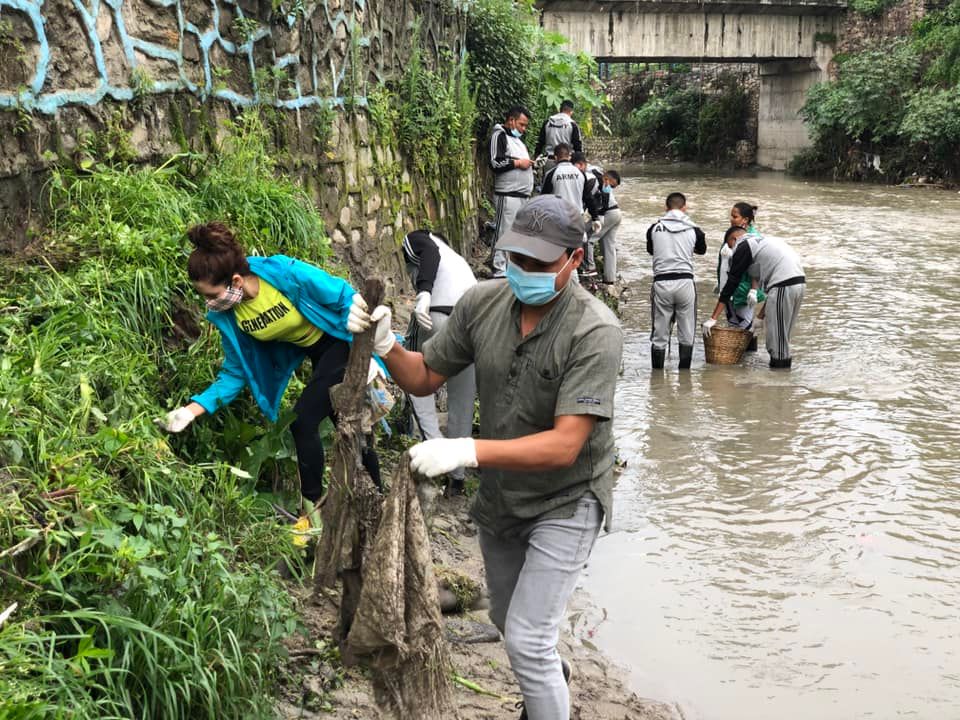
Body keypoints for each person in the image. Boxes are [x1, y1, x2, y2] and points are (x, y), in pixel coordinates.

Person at [368, 195, 622, 720]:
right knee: (511, 625)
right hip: (503, 497)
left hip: (568, 499)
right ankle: (553, 679)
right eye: (515, 259)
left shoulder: (594, 331)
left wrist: (466, 448)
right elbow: (423, 376)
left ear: (574, 259)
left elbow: (565, 445)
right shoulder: (481, 304)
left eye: (539, 263)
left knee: (527, 640)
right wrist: (388, 344)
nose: (523, 271)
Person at [159, 222, 380, 526]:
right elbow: (234, 373)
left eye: (212, 294)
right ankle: (368, 501)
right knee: (343, 422)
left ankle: (313, 514)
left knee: (303, 421)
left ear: (236, 280)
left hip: (340, 343)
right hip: (315, 356)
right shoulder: (231, 315)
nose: (209, 303)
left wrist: (354, 311)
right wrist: (191, 410)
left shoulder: (281, 273)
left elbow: (338, 293)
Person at [401, 229, 478, 496]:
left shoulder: (421, 239)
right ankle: (457, 478)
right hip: (471, 324)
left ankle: (432, 446)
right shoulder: (459, 262)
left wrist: (423, 292)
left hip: (437, 314)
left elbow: (429, 254)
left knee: (412, 377)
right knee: (463, 400)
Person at [703, 227, 805, 369]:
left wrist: (713, 318)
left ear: (734, 239)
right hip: (797, 284)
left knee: (776, 344)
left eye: (730, 245)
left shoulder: (742, 246)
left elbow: (731, 284)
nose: (732, 250)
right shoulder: (761, 242)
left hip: (784, 286)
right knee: (782, 338)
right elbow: (766, 283)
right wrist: (760, 317)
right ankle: (782, 381)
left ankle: (779, 385)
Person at [646, 192, 707, 370]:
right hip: (685, 283)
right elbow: (702, 250)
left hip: (661, 283)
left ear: (666, 207)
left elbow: (652, 250)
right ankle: (684, 378)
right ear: (684, 207)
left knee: (659, 331)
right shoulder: (694, 229)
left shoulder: (654, 228)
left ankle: (656, 377)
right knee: (687, 331)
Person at [541, 146, 602, 274]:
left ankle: (561, 279)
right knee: (574, 252)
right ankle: (573, 280)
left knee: (560, 253)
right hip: (576, 218)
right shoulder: (580, 173)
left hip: (558, 218)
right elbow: (588, 198)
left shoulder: (551, 173)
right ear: (569, 156)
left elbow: (544, 200)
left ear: (556, 158)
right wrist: (595, 218)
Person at [489, 105, 535, 278]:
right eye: (522, 125)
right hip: (507, 195)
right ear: (511, 120)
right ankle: (498, 268)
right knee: (503, 231)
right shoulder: (499, 135)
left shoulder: (517, 141)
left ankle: (509, 267)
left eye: (525, 126)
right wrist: (517, 163)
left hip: (520, 195)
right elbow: (495, 162)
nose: (524, 129)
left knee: (515, 233)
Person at [716, 225, 765, 350]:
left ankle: (749, 357)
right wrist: (720, 283)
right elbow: (724, 267)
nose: (732, 219)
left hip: (743, 291)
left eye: (736, 216)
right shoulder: (733, 242)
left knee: (747, 326)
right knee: (734, 325)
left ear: (745, 220)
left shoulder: (749, 242)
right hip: (729, 291)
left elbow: (755, 269)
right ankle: (739, 359)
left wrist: (753, 290)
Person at [582, 162, 621, 283]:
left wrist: (599, 218)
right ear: (606, 178)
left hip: (608, 213)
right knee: (609, 247)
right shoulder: (595, 178)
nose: (610, 188)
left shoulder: (601, 181)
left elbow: (600, 204)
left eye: (612, 187)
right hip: (616, 213)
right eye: (611, 185)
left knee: (589, 239)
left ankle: (590, 268)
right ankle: (610, 279)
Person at [534, 99, 583, 173]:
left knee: (548, 182)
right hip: (566, 163)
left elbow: (540, 143)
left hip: (549, 161)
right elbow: (578, 147)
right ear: (571, 111)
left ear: (560, 109)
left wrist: (536, 159)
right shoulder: (572, 124)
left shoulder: (548, 122)